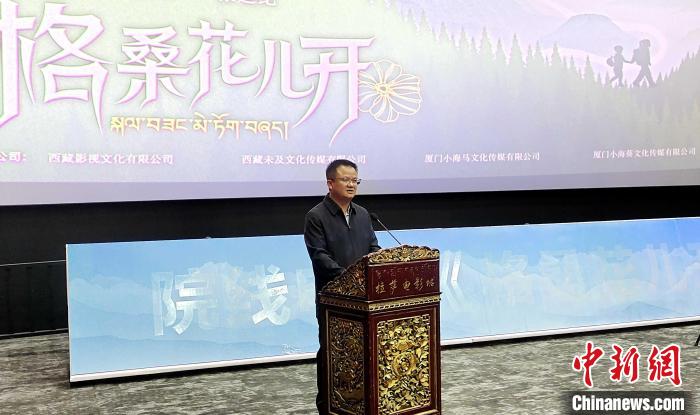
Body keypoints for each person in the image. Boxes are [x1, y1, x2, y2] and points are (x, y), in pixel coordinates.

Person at [303, 159, 381, 414]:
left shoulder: (363, 214)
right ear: (330, 183)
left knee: (364, 355)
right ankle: (328, 406)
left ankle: (359, 405)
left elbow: (373, 248)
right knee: (332, 354)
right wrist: (351, 277)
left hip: (364, 300)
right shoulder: (316, 216)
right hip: (333, 300)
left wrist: (377, 267)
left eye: (355, 180)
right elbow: (319, 256)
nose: (351, 185)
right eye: (345, 180)